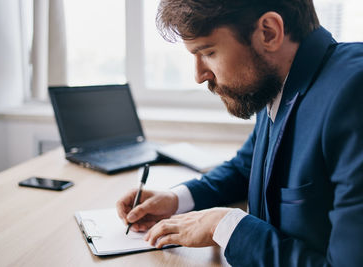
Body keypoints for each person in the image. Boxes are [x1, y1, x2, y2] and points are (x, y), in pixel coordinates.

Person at [116, 0, 363, 266]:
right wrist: (176, 199)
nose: (199, 75)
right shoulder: (277, 81)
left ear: (268, 32)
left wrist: (224, 226)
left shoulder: (353, 93)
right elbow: (245, 168)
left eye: (208, 52)